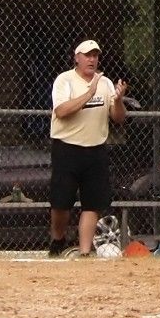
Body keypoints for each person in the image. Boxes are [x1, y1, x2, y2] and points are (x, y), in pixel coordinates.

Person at [48, 39, 128, 257]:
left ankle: (84, 252)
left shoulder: (106, 83)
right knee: (61, 203)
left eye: (95, 55)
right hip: (67, 148)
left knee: (92, 203)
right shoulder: (65, 80)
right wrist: (89, 94)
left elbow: (118, 118)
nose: (92, 59)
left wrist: (119, 100)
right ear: (77, 58)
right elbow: (62, 111)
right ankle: (58, 239)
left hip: (95, 149)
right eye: (87, 55)